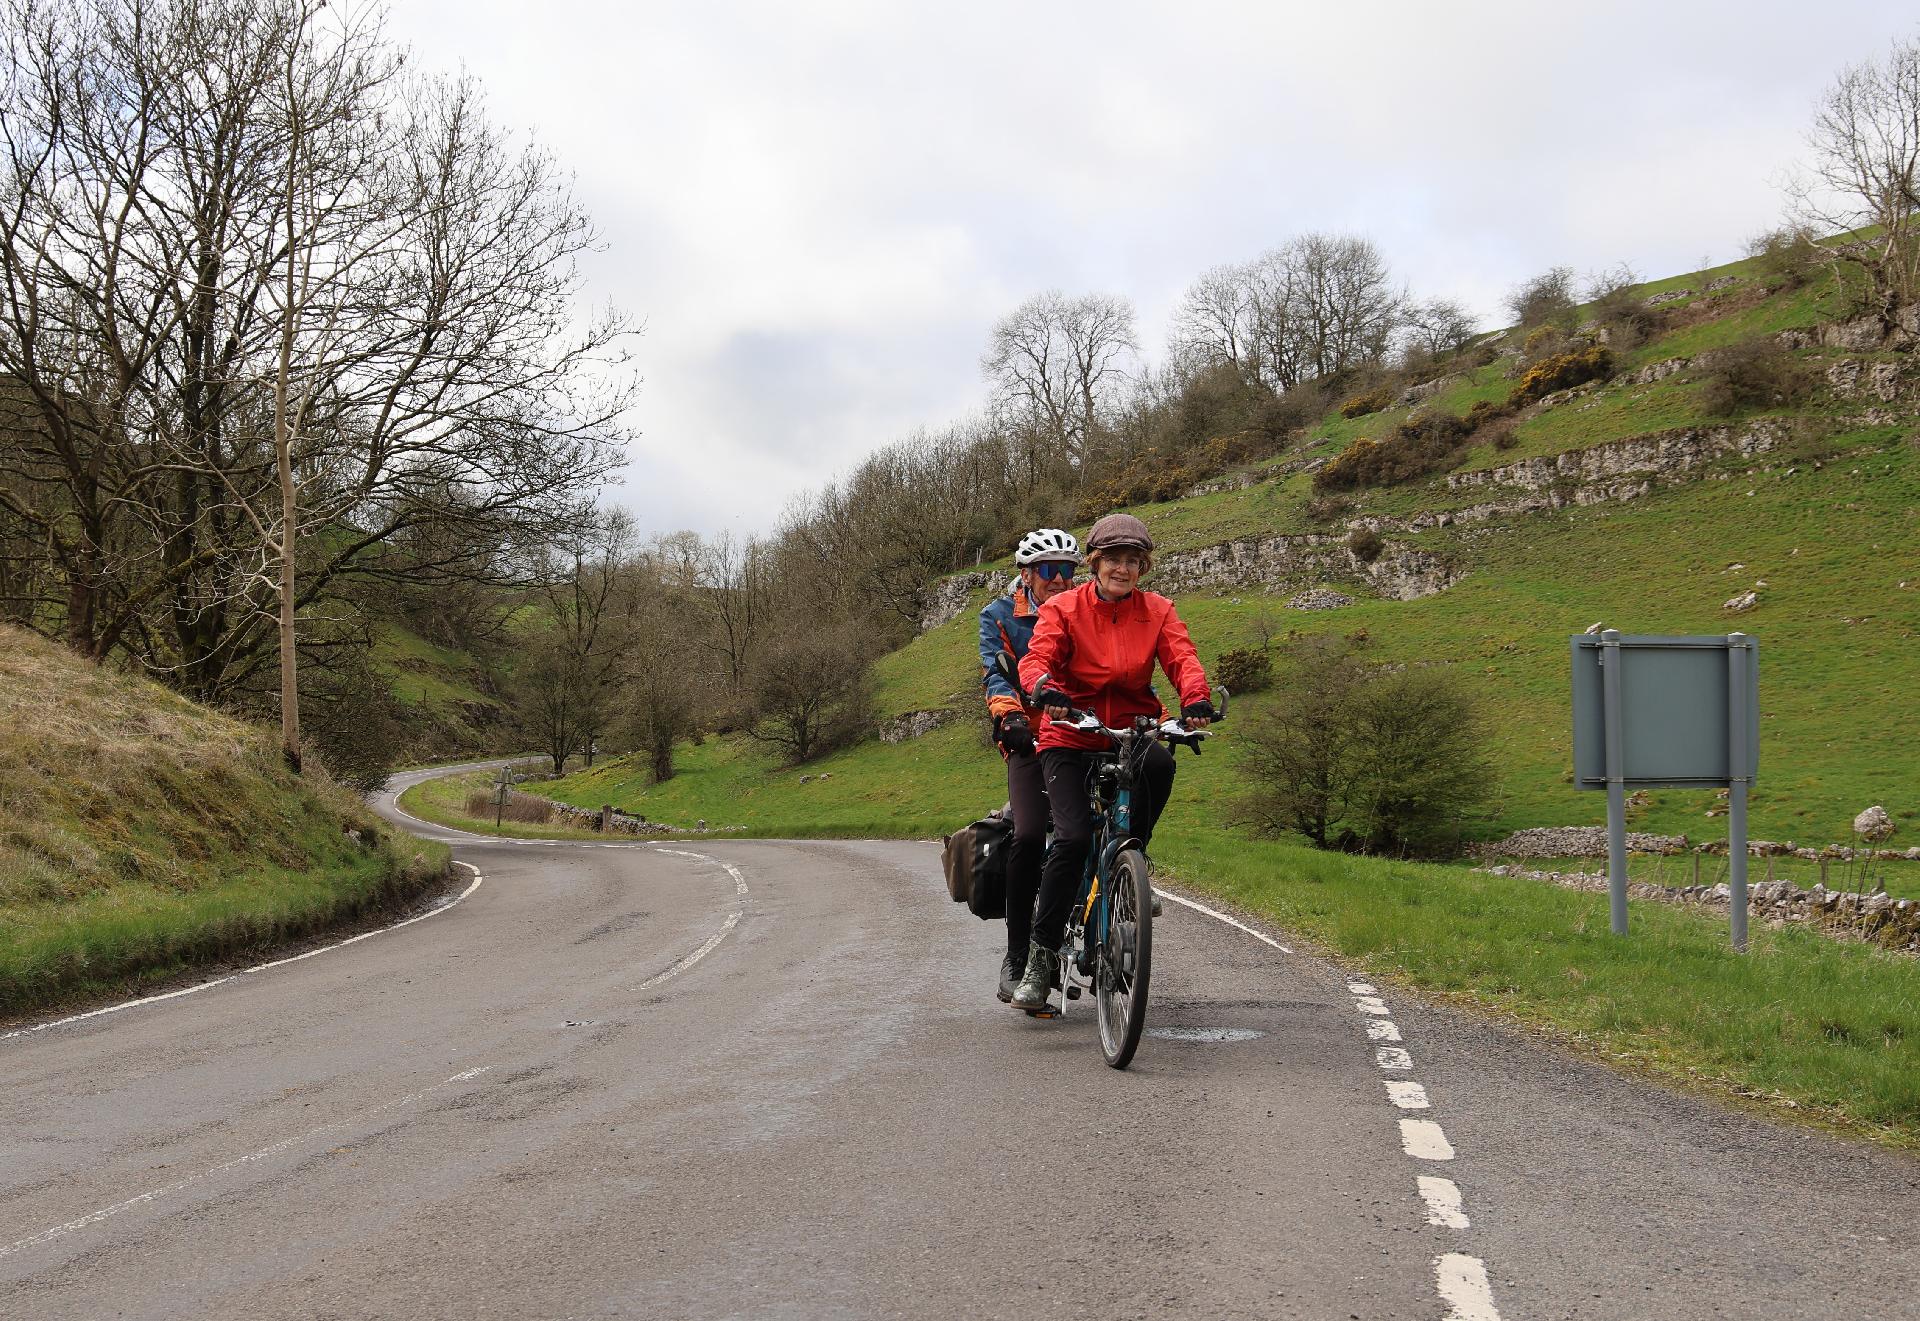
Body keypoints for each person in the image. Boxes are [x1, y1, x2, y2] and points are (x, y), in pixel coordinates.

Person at [1010, 512, 1214, 1012]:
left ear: (1142, 567)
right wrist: (1045, 688)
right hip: (1070, 733)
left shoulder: (1158, 610)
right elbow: (1036, 658)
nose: (1122, 569)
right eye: (1113, 560)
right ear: (1096, 563)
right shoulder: (1062, 609)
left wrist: (1195, 698)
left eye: (1133, 561)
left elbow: (1181, 658)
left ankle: (1133, 856)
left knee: (1161, 767)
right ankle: (1040, 960)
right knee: (1074, 839)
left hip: (1132, 727)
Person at [978, 527, 1082, 1002]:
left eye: (1067, 570)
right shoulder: (999, 616)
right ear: (1026, 573)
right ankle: (1018, 954)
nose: (1059, 580)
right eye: (1048, 571)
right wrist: (1010, 717)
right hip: (1030, 735)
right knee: (1028, 834)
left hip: (1084, 730)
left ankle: (1126, 874)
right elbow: (996, 676)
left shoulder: (1088, 610)